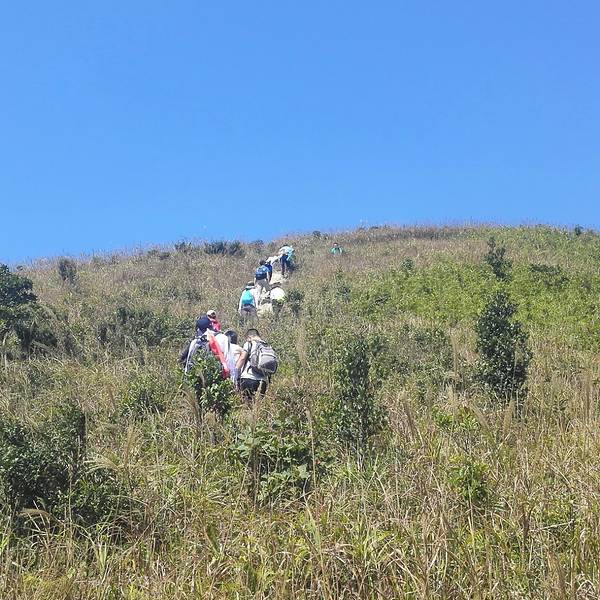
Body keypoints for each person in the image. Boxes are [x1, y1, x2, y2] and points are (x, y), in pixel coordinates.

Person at [236, 328, 271, 403]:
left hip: (248, 378)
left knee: (247, 405)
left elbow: (242, 358)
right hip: (263, 381)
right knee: (258, 405)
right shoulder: (266, 345)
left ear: (249, 337)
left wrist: (236, 372)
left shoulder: (249, 343)